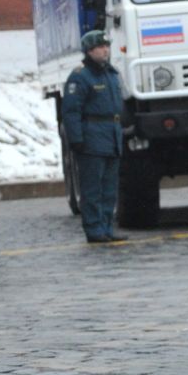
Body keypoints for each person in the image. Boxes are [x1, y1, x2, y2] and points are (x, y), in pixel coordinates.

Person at [62, 29, 126, 244]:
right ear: (89, 51)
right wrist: (76, 139)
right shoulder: (80, 77)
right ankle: (94, 229)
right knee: (92, 188)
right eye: (100, 47)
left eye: (107, 46)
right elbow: (71, 111)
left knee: (109, 188)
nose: (105, 50)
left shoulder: (111, 73)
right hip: (92, 138)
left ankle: (107, 227)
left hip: (112, 136)